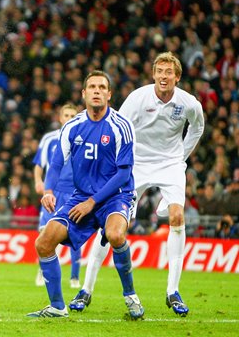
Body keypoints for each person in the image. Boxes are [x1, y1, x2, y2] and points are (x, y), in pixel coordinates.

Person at [73, 52, 204, 317]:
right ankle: (86, 290)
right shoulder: (138, 98)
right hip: (138, 164)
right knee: (113, 225)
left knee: (178, 216)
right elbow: (117, 127)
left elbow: (197, 128)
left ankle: (173, 292)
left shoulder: (189, 103)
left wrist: (181, 156)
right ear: (153, 74)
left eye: (169, 72)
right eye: (159, 71)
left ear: (177, 77)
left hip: (170, 165)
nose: (163, 76)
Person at [27, 70, 144, 320]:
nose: (97, 91)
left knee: (114, 234)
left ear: (109, 94)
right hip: (82, 197)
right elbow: (56, 163)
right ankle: (57, 307)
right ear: (84, 93)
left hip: (116, 196)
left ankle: (130, 295)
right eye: (92, 87)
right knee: (43, 242)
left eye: (102, 87)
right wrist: (48, 190)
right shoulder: (72, 126)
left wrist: (93, 202)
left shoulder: (121, 126)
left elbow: (124, 174)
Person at [33, 103, 81, 288]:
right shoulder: (49, 139)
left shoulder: (83, 138)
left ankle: (74, 277)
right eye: (66, 115)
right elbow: (39, 164)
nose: (68, 118)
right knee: (44, 231)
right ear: (60, 118)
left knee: (73, 233)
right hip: (53, 191)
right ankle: (42, 271)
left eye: (72, 115)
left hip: (74, 192)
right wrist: (39, 182)